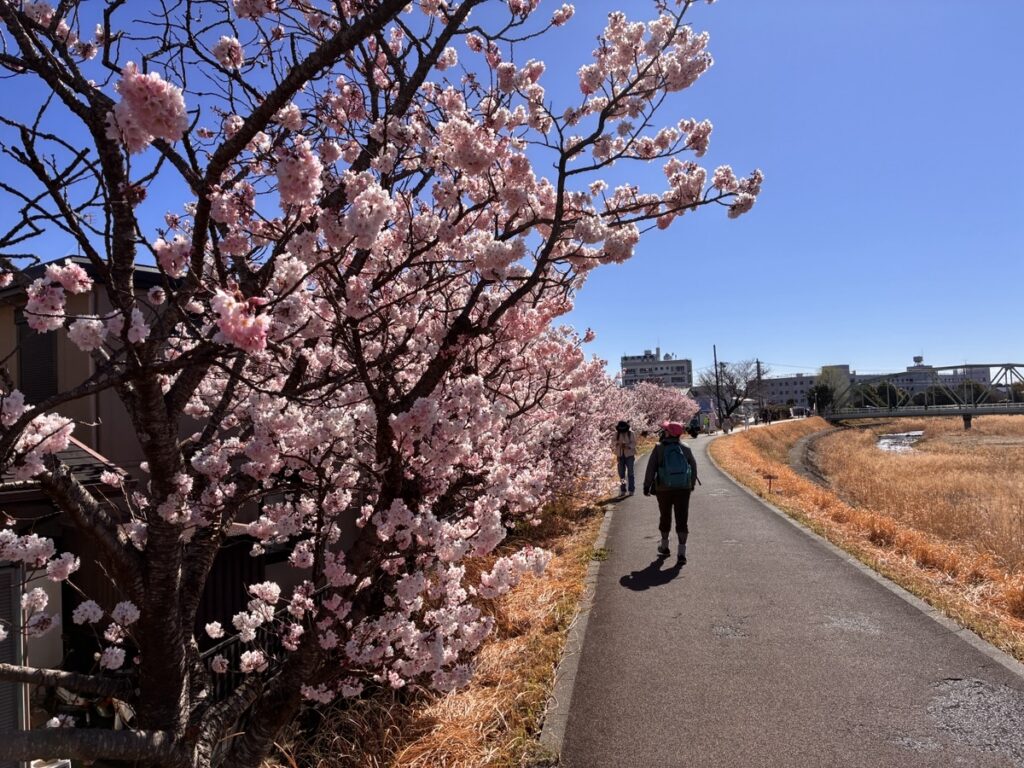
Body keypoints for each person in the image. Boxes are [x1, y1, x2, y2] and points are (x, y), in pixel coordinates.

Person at [643, 421, 698, 561]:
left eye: (666, 430)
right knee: (682, 519)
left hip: (663, 488)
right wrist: (691, 485)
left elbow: (651, 468)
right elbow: (693, 467)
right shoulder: (685, 448)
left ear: (669, 433)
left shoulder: (659, 448)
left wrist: (647, 485)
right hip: (683, 488)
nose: (664, 432)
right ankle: (681, 553)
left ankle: (665, 546)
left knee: (665, 516)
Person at [612, 420, 636, 496]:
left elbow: (634, 443)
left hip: (629, 455)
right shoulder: (616, 434)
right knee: (621, 474)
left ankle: (631, 489)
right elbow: (613, 442)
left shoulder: (631, 433)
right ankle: (623, 489)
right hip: (620, 455)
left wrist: (627, 446)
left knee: (630, 473)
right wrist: (618, 443)